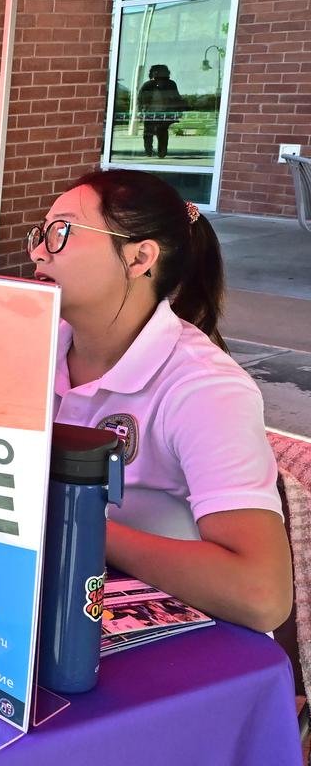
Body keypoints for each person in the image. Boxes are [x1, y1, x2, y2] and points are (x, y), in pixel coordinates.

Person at [28, 168, 291, 632]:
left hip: (177, 639)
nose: (36, 251)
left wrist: (82, 530)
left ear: (138, 258)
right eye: (41, 234)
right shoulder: (30, 348)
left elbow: (261, 595)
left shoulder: (204, 389)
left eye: (60, 232)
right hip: (59, 602)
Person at [136, 64, 187, 159]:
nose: (157, 74)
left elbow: (176, 98)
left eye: (158, 72)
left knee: (162, 132)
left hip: (164, 113)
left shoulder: (170, 84)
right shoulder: (147, 85)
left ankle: (162, 152)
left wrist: (178, 110)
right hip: (149, 113)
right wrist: (140, 111)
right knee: (148, 133)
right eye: (155, 72)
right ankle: (149, 151)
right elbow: (140, 99)